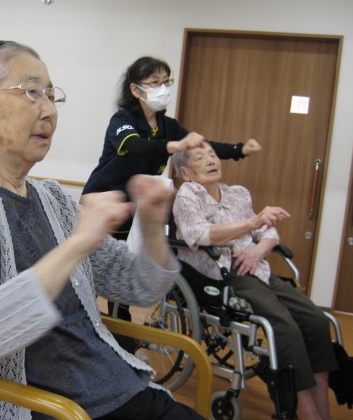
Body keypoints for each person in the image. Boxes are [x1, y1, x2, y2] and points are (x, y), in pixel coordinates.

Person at [0, 38, 244, 420]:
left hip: (125, 391)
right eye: (31, 92)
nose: (49, 111)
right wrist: (75, 245)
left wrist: (149, 221)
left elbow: (139, 286)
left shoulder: (53, 199)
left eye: (51, 94)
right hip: (51, 418)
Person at [171, 144, 351, 420]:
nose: (212, 160)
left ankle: (324, 417)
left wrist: (258, 250)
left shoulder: (237, 193)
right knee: (285, 328)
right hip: (225, 277)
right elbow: (201, 235)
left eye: (213, 156)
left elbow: (268, 232)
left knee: (317, 322)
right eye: (201, 158)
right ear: (186, 172)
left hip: (258, 269)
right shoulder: (187, 196)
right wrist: (252, 224)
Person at [82, 56, 262, 323]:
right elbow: (135, 146)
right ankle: (97, 325)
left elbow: (202, 145)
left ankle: (123, 332)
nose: (163, 88)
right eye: (154, 82)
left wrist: (238, 150)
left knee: (128, 272)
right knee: (98, 272)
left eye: (166, 82)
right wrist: (173, 146)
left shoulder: (168, 126)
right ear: (135, 89)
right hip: (106, 201)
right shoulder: (122, 120)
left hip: (138, 208)